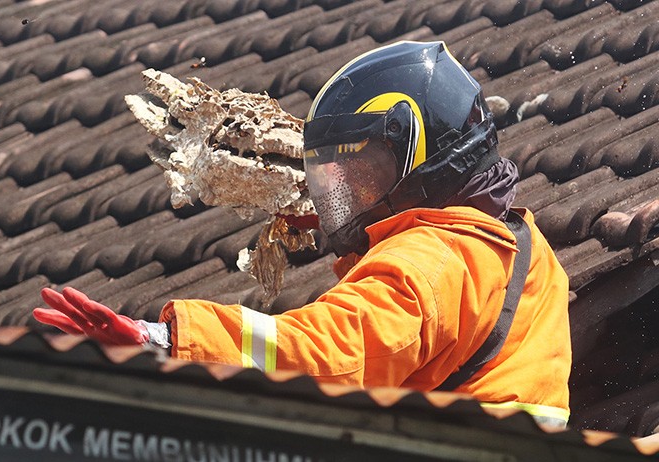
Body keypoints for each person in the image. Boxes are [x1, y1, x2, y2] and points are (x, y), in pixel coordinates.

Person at [33, 41, 572, 429]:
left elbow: (329, 351)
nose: (339, 196)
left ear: (419, 156)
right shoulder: (509, 237)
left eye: (359, 175)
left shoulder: (432, 260)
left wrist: (169, 341)